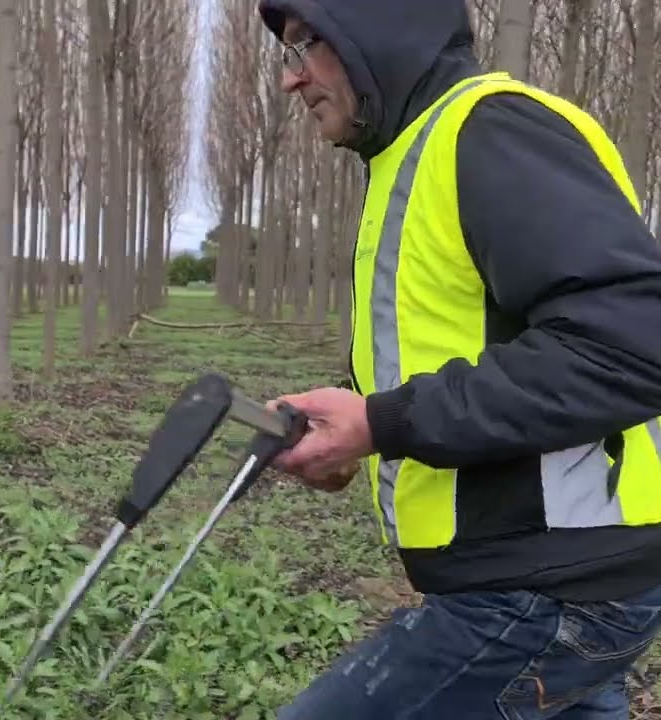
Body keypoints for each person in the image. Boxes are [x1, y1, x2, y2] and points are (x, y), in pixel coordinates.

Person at [253, 0, 661, 717]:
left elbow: (632, 343)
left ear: (374, 28)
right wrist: (352, 432)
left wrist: (384, 421)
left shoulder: (491, 132)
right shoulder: (410, 163)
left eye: (305, 45)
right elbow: (466, 342)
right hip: (556, 575)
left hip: (546, 587)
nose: (294, 80)